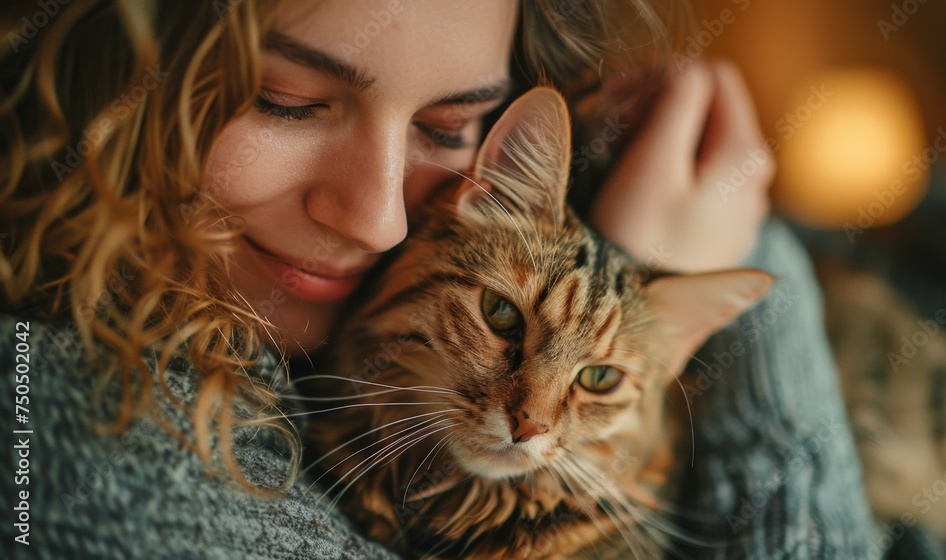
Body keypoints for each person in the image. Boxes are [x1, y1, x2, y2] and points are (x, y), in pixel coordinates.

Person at [0, 0, 878, 558]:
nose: (382, 220)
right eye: (285, 100)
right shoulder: (72, 424)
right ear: (112, 63)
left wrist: (679, 287)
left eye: (452, 125)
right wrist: (751, 289)